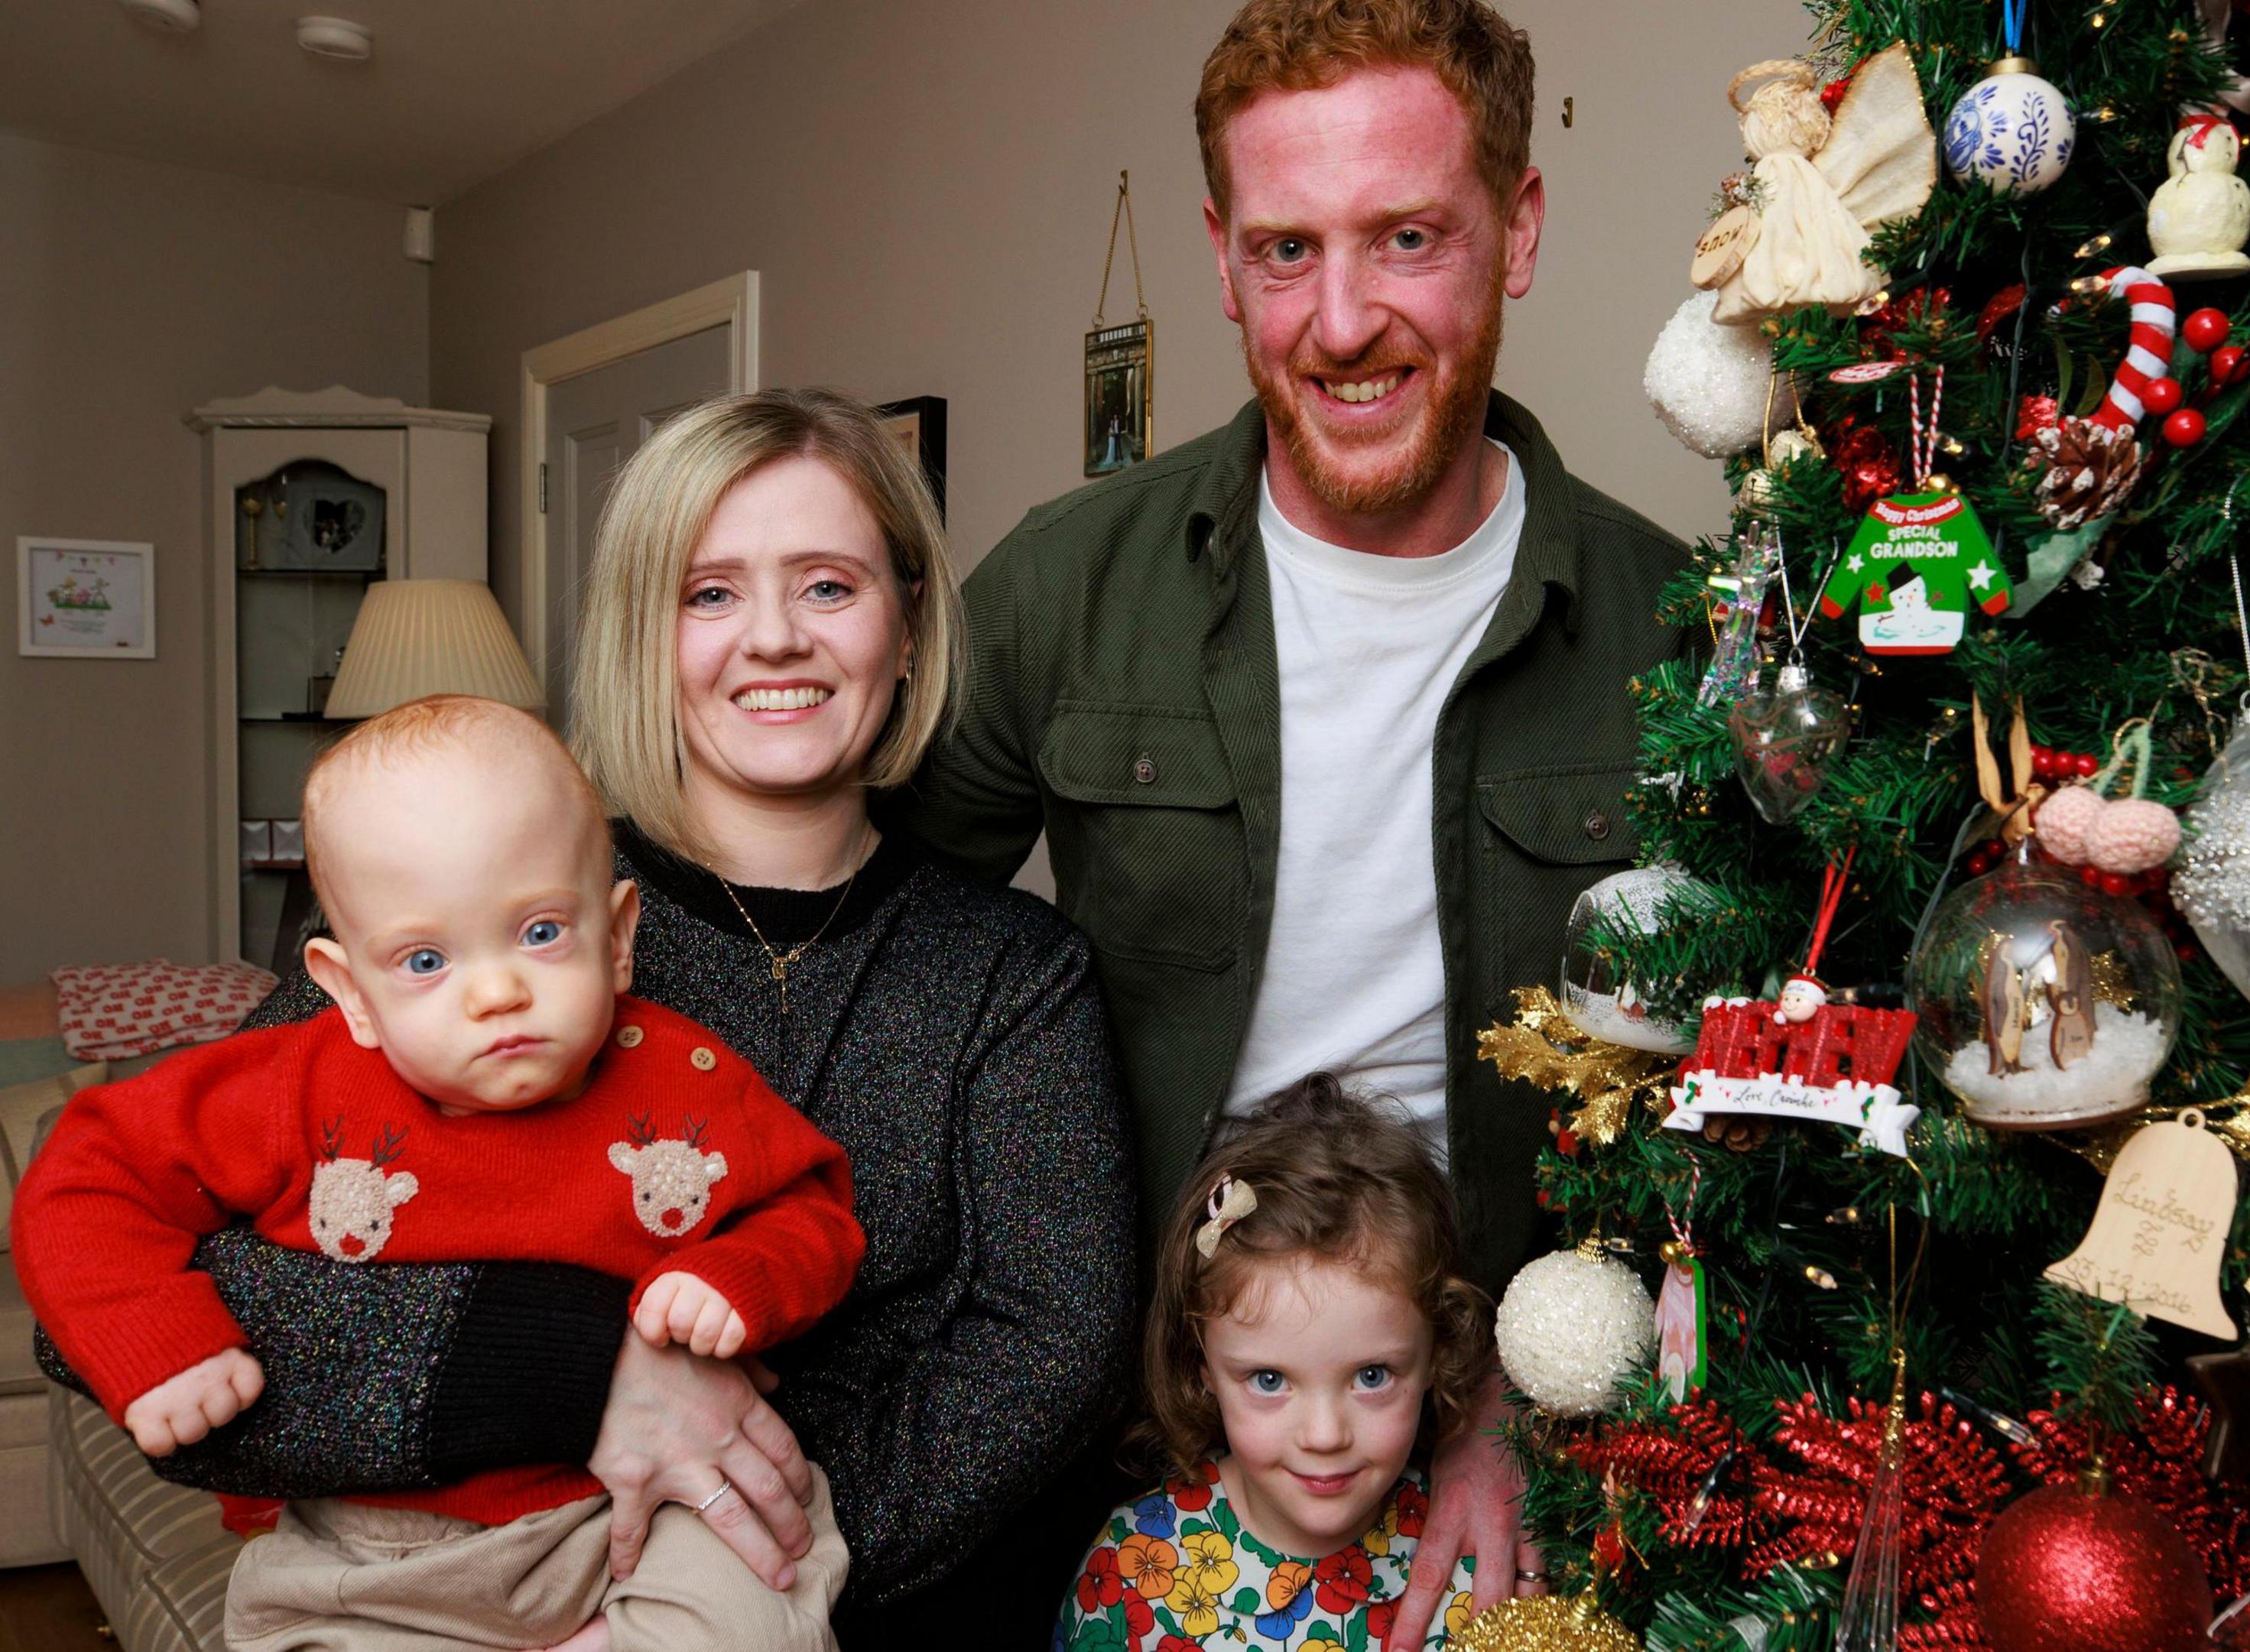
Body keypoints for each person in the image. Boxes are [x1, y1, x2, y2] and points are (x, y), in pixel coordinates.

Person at [119, 389, 1138, 1650]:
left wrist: (722, 1570)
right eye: (708, 593)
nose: (773, 640)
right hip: (435, 1596)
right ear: (643, 632)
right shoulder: (480, 913)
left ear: (911, 622)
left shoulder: (1011, 970)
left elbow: (1048, 1354)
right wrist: (572, 1372)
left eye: (829, 585)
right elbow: (130, 1282)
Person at [907, 6, 1690, 1640]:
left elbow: (1735, 1107)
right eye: (1285, 249)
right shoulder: (1065, 587)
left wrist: (1517, 1417)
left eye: (1409, 239)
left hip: (1487, 1414)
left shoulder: (1673, 631)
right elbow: (876, 947)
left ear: (1518, 229)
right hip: (1111, 1404)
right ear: (1219, 257)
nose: (1342, 323)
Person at [16, 696, 864, 1650]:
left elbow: (813, 1206)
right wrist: (156, 1335)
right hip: (376, 1548)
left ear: (618, 934)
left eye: (542, 931)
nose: (497, 990)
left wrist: (739, 1275)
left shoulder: (686, 1078)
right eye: (425, 958)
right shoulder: (292, 1084)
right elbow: (90, 1170)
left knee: (759, 1596)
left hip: (637, 1515)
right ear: (350, 993)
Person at [1053, 1076, 1490, 1652]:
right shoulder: (1131, 1574)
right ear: (1202, 1364)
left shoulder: (1473, 1567)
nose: (1325, 1435)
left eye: (1372, 1375)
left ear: (1438, 1352)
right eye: (1269, 1379)